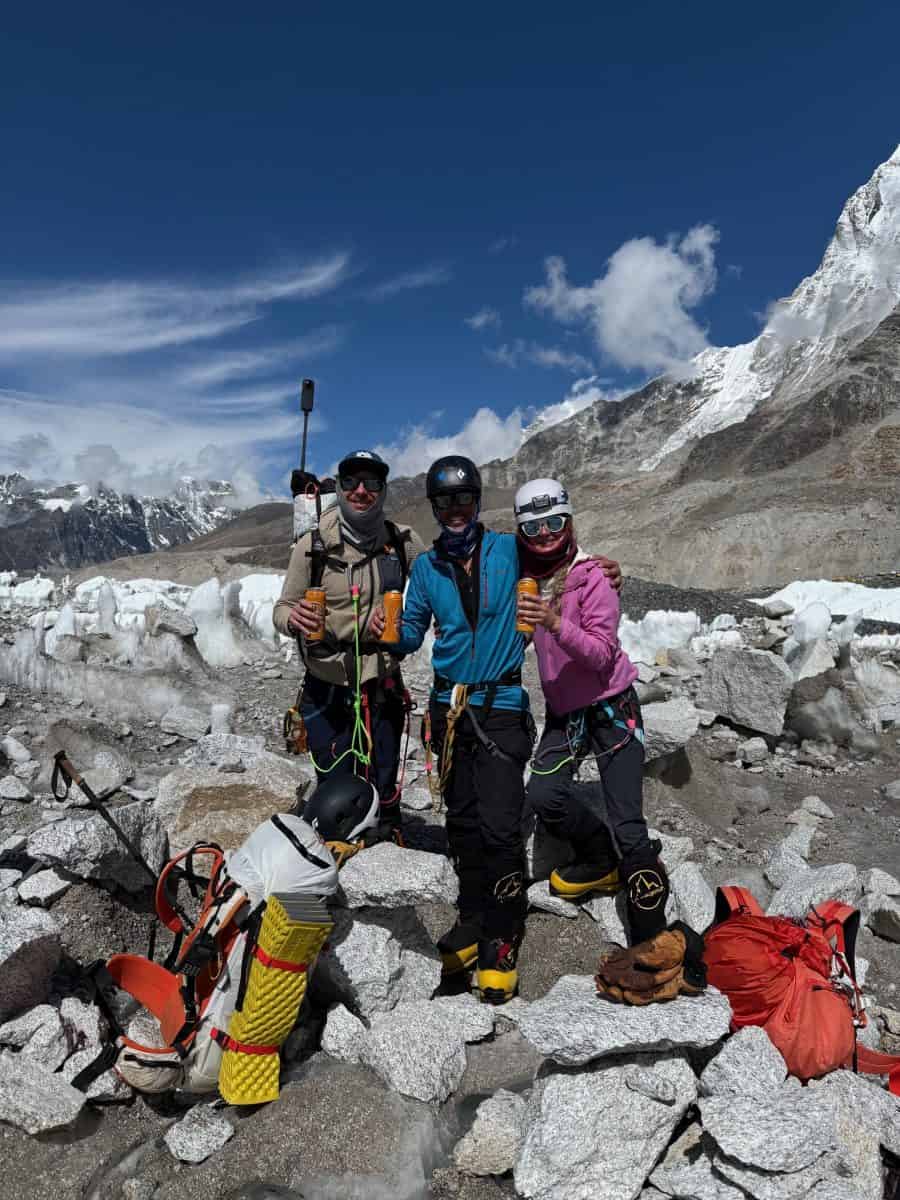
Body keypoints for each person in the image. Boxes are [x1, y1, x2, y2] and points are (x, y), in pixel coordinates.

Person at [391, 456, 622, 1004]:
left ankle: (503, 935)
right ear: (433, 507)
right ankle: (473, 920)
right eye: (444, 502)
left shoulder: (506, 549)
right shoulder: (425, 570)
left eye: (464, 499)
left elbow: (558, 555)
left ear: (477, 502)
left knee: (498, 826)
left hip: (501, 704)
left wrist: (604, 571)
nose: (455, 511)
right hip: (447, 712)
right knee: (463, 824)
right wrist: (385, 632)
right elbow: (409, 635)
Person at [515, 477, 670, 946]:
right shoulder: (522, 575)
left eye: (555, 522)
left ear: (570, 520)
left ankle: (651, 941)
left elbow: (602, 654)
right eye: (534, 526)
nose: (546, 533)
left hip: (611, 709)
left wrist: (554, 622)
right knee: (543, 796)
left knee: (629, 822)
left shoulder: (594, 577)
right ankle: (599, 857)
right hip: (566, 714)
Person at [273, 450, 426, 842]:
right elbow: (282, 608)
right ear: (339, 489)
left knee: (385, 775)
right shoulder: (312, 545)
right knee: (336, 784)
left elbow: (435, 590)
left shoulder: (402, 542)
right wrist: (294, 619)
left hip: (381, 684)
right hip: (327, 684)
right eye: (352, 482)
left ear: (382, 490)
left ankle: (388, 853)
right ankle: (338, 858)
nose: (361, 490)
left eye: (371, 483)